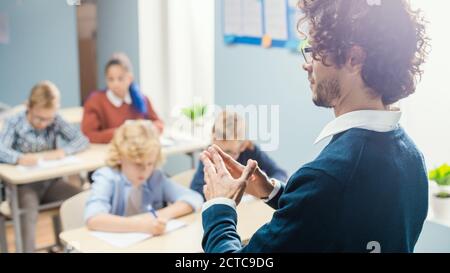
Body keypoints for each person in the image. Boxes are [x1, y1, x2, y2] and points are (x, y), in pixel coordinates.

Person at [200, 0, 430, 252]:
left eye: (315, 51)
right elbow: (341, 221)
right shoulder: (411, 156)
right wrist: (274, 193)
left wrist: (219, 207)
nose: (306, 63)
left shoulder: (330, 176)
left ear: (353, 58)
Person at [0, 81, 89, 252]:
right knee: (26, 212)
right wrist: (19, 158)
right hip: (24, 187)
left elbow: (81, 140)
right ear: (28, 107)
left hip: (51, 183)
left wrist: (64, 151)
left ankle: (75, 248)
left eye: (48, 119)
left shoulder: (54, 120)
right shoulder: (14, 122)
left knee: (82, 200)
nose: (43, 123)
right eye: (39, 118)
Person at [84, 120, 203, 234]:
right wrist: (140, 225)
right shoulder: (107, 177)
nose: (145, 171)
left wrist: (157, 216)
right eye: (138, 164)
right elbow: (93, 218)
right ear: (120, 156)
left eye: (150, 163)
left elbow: (194, 197)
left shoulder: (155, 176)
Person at [190, 110, 287, 200]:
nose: (222, 158)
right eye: (218, 152)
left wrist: (262, 187)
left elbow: (280, 173)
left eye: (229, 152)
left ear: (243, 146)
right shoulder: (209, 156)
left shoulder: (250, 150)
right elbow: (196, 191)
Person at [81, 53, 164, 144]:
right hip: (110, 153)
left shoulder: (142, 99)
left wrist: (146, 130)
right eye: (111, 79)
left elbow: (158, 123)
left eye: (120, 79)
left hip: (140, 151)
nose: (115, 84)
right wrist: (122, 133)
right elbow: (88, 135)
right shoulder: (94, 101)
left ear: (130, 78)